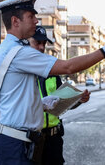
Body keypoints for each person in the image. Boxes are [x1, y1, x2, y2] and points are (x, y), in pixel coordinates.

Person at [0, 0, 105, 165]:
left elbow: (10, 97)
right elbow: (68, 67)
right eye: (31, 17)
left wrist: (40, 104)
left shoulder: (2, 51)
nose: (36, 21)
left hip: (14, 140)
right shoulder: (19, 52)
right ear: (15, 21)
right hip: (16, 144)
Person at [28, 26, 90, 165]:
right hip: (32, 139)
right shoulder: (22, 71)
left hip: (53, 139)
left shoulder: (52, 70)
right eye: (37, 43)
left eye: (44, 43)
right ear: (26, 42)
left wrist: (78, 100)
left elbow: (62, 105)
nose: (41, 47)